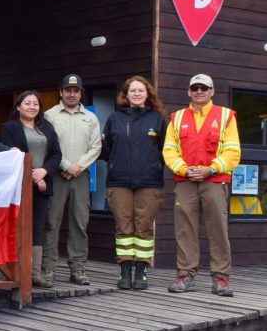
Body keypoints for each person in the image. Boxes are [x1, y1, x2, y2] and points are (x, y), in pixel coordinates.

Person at [163, 74, 240, 296]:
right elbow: (169, 149)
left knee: (218, 229)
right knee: (185, 230)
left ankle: (221, 279)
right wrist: (185, 169)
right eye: (194, 88)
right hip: (185, 181)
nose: (199, 92)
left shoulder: (226, 116)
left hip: (215, 181)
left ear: (212, 91)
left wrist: (211, 168)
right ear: (189, 92)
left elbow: (233, 151)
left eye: (203, 88)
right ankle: (185, 276)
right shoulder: (176, 118)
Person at [100, 76, 167, 290]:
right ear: (126, 95)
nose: (137, 94)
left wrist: (154, 167)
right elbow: (106, 151)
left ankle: (141, 271)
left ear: (148, 94)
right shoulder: (114, 119)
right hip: (119, 181)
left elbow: (166, 151)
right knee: (123, 227)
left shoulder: (157, 119)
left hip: (149, 182)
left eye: (141, 90)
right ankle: (125, 270)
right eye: (132, 90)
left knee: (144, 228)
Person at [42, 74, 102, 286]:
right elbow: (48, 145)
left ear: (81, 93)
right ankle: (48, 267)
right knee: (52, 220)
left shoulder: (91, 117)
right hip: (56, 174)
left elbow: (96, 147)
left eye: (76, 91)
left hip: (81, 176)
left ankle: (77, 268)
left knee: (79, 222)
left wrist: (78, 167)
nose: (72, 94)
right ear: (61, 92)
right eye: (68, 90)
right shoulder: (49, 116)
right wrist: (66, 165)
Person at [0, 90, 62, 288]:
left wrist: (44, 171)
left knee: (37, 228)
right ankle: (17, 272)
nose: (32, 107)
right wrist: (35, 175)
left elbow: (57, 155)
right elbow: (11, 157)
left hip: (42, 186)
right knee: (17, 228)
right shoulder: (9, 128)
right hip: (19, 186)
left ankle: (35, 273)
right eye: (27, 103)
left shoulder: (47, 127)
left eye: (35, 104)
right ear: (18, 106)